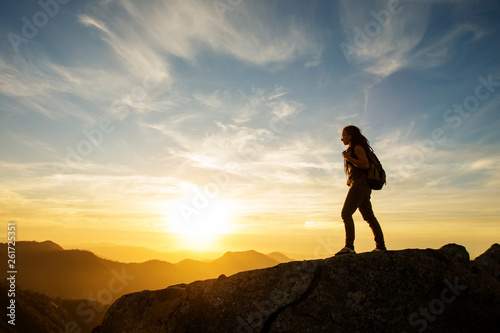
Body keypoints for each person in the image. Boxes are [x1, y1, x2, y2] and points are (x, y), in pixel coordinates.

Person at [335, 125, 386, 255]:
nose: (342, 139)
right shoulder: (355, 148)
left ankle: (349, 247)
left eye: (344, 135)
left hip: (359, 185)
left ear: (351, 135)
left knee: (346, 213)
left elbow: (365, 164)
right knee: (369, 216)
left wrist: (348, 158)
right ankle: (380, 246)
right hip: (361, 186)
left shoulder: (357, 148)